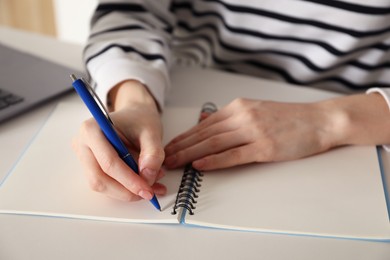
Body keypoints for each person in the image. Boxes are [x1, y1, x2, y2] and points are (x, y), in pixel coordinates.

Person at [72, 0, 390, 202]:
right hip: (186, 91)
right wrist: (134, 97)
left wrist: (331, 120)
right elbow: (130, 10)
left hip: (362, 130)